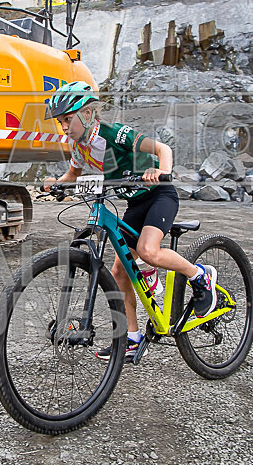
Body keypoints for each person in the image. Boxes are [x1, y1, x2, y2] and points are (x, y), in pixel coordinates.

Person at [43, 81, 218, 363]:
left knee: (148, 251)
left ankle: (199, 276)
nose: (63, 126)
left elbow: (163, 149)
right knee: (120, 273)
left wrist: (160, 171)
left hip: (159, 195)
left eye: (67, 119)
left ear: (87, 114)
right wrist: (56, 185)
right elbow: (73, 175)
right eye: (60, 121)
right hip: (135, 203)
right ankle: (132, 339)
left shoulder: (115, 134)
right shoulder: (78, 146)